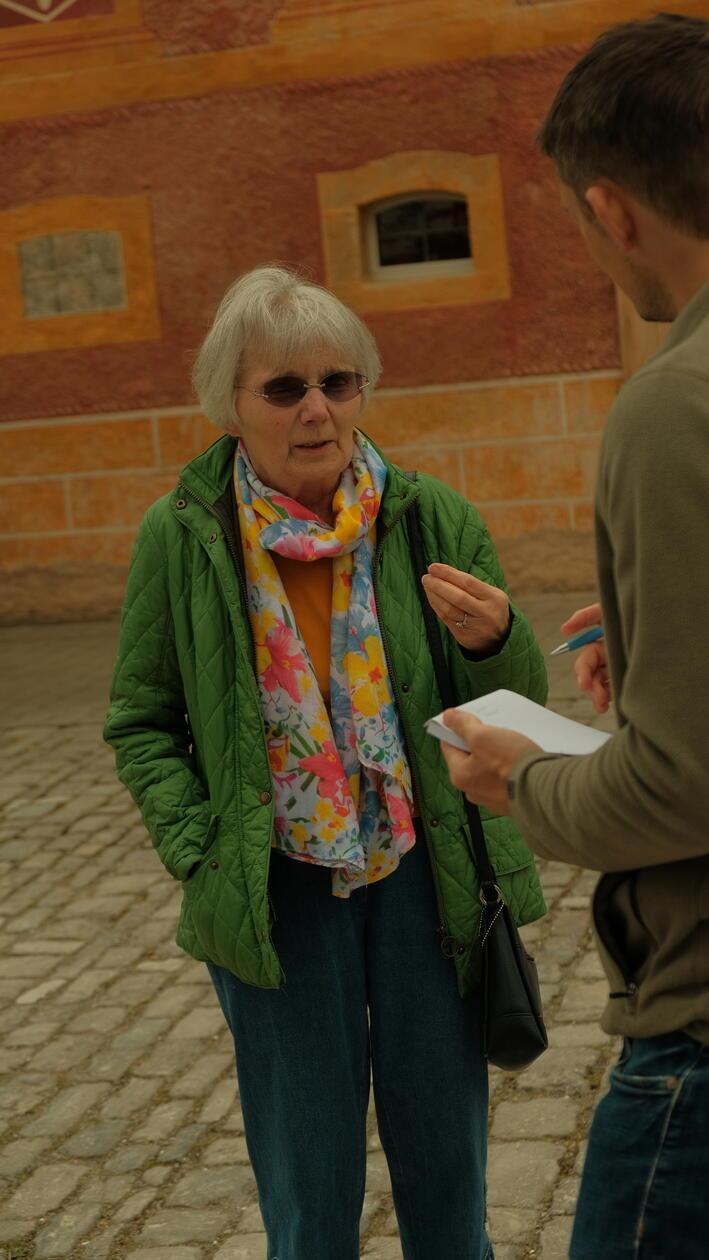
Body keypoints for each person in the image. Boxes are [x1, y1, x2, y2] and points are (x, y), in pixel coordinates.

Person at [103, 264, 547, 1260]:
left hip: (424, 869)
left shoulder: (427, 516)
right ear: (230, 403)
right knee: (308, 1176)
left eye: (337, 382)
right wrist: (203, 850)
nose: (316, 409)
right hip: (277, 884)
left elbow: (513, 703)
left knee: (447, 1165)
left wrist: (495, 640)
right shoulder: (185, 536)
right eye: (284, 388)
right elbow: (142, 721)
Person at [438, 15, 709, 1260]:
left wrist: (520, 782)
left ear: (610, 208)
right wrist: (659, 620)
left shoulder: (671, 405)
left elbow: (678, 787)